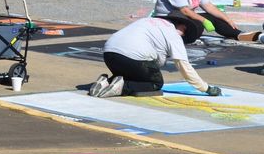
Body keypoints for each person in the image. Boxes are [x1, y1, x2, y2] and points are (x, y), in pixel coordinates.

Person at [87, 12, 222, 98]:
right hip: (131, 56)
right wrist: (206, 88)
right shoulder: (173, 34)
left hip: (109, 53)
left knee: (135, 73)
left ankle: (106, 82)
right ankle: (123, 87)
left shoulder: (150, 22)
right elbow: (184, 67)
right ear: (183, 27)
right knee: (155, 82)